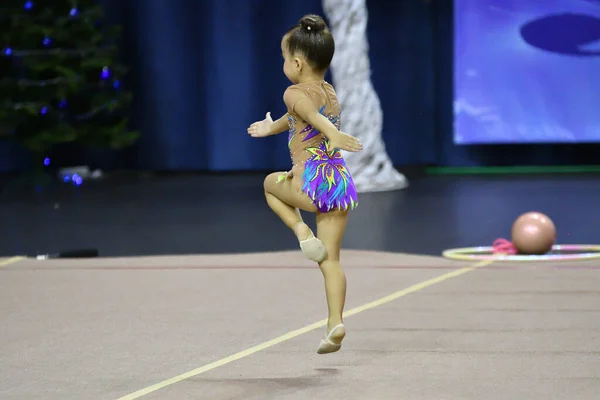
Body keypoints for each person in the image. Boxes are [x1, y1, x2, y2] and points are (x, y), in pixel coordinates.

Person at [247, 14, 363, 354]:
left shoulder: (292, 91)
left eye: (285, 58)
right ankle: (335, 323)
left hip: (310, 182)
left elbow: (309, 116)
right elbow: (299, 115)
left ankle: (300, 231)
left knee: (270, 185)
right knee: (331, 261)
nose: (284, 64)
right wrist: (271, 128)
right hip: (338, 184)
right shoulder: (328, 91)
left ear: (297, 63)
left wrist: (333, 133)